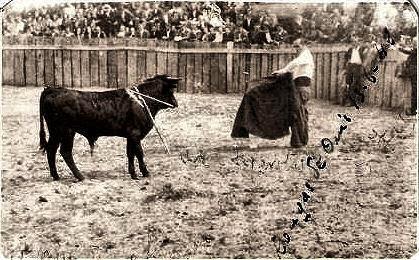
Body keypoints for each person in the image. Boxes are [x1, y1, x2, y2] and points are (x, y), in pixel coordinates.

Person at [272, 39, 314, 148]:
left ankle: (299, 141)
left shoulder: (306, 55)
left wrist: (282, 71)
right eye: (294, 47)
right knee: (299, 113)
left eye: (298, 46)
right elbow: (294, 69)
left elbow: (294, 64)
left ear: (304, 45)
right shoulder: (303, 56)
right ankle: (301, 140)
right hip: (300, 87)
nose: (296, 49)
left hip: (302, 88)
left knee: (298, 114)